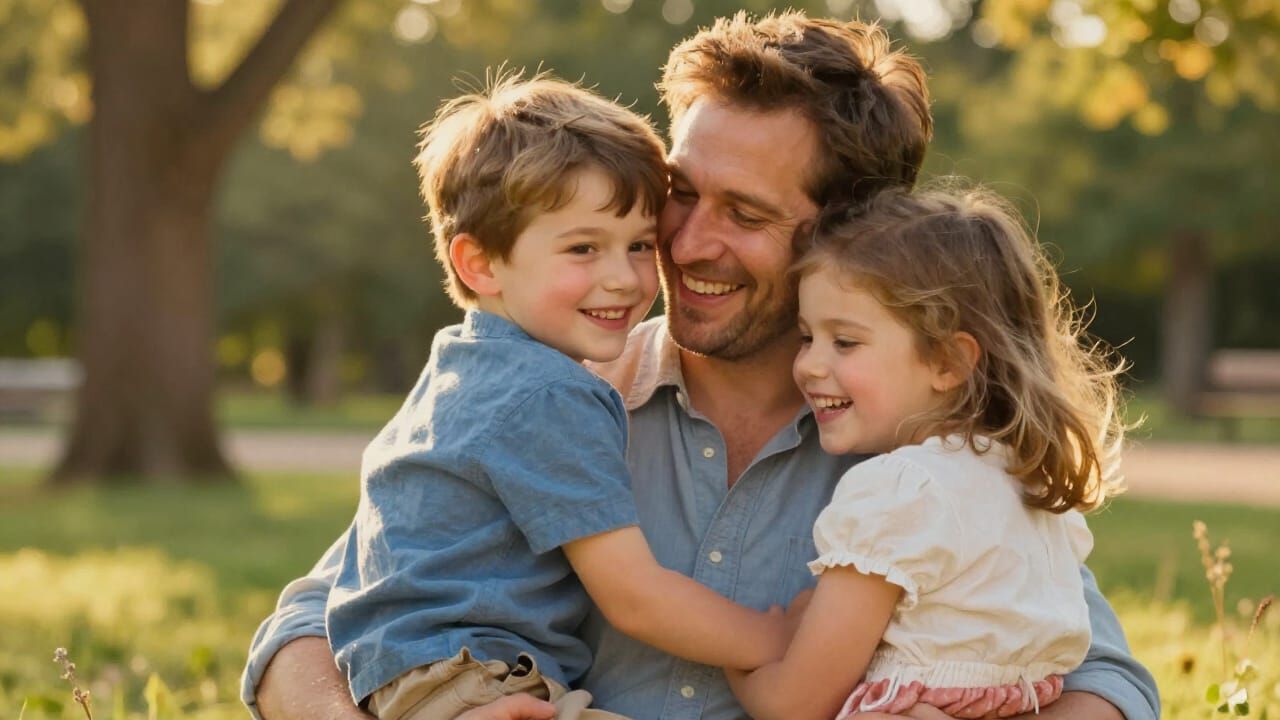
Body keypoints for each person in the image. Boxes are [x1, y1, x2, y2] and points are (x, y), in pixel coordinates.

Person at [242, 11, 1160, 720]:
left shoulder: (923, 449)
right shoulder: (552, 387)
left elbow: (1107, 679)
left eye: (747, 216)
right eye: (680, 193)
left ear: (843, 234)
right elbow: (312, 620)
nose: (684, 243)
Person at [326, 75, 798, 720]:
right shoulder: (550, 394)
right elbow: (634, 595)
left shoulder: (465, 364)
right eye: (583, 248)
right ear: (480, 264)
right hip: (472, 676)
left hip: (406, 672)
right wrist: (773, 638)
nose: (624, 278)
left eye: (637, 245)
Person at [725, 186, 1127, 720]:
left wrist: (737, 663)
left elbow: (795, 703)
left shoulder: (898, 491)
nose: (809, 366)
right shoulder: (1026, 481)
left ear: (947, 362)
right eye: (805, 338)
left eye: (844, 342)